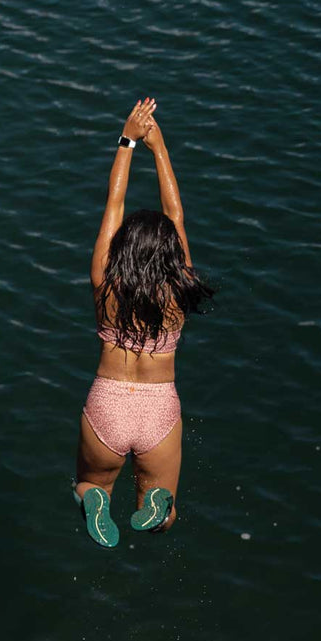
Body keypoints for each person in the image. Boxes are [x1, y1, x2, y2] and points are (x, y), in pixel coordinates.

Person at [74, 100, 213, 547]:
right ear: (172, 256)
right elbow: (176, 216)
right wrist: (159, 146)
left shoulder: (105, 284)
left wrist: (127, 140)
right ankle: (156, 505)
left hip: (107, 403)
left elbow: (113, 201)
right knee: (163, 507)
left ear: (122, 249)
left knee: (89, 484)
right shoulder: (177, 290)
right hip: (158, 408)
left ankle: (94, 501)